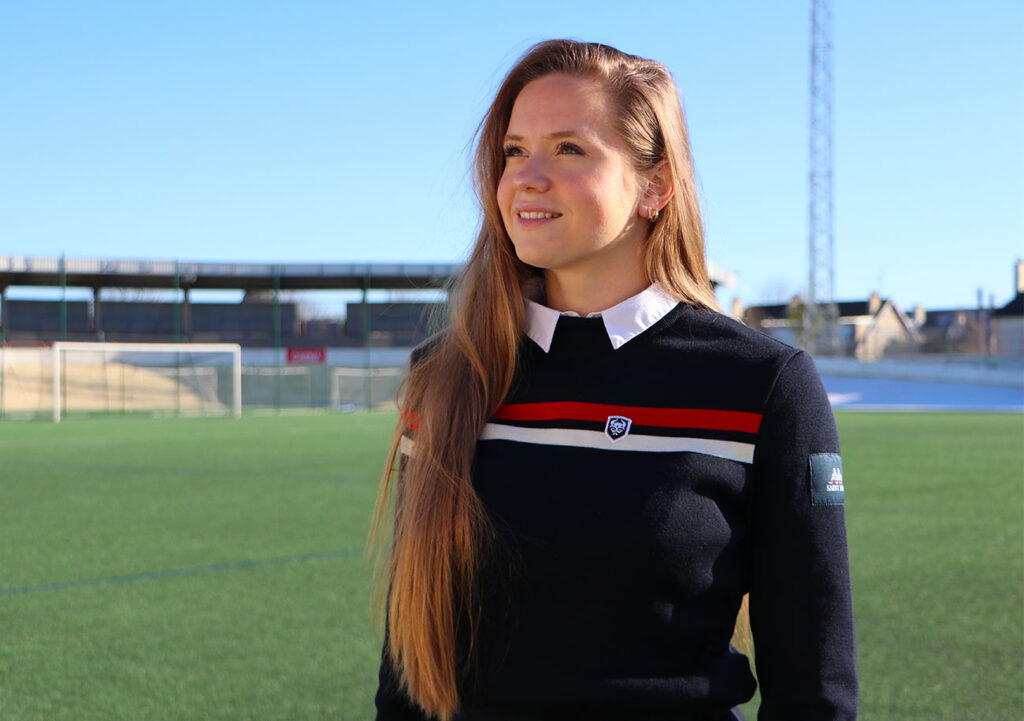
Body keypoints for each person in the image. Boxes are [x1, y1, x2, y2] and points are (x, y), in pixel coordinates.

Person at [371, 39, 858, 721]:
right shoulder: (445, 376)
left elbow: (815, 694)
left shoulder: (762, 386)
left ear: (656, 185)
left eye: (569, 149)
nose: (525, 177)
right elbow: (406, 674)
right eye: (514, 151)